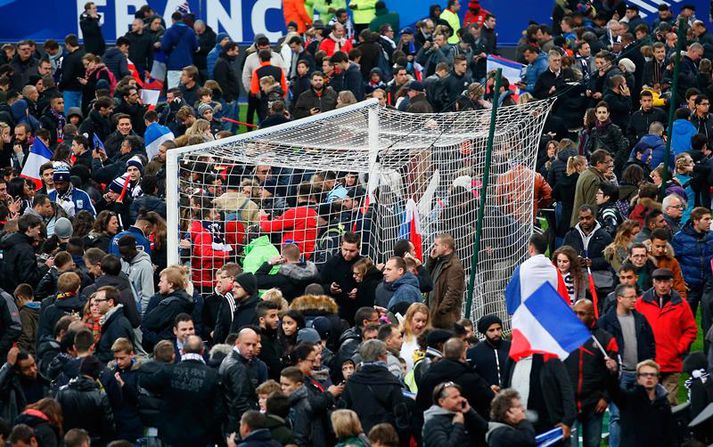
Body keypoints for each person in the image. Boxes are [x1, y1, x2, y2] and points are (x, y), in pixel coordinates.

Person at [636, 268, 697, 404]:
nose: (662, 285)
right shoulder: (641, 303)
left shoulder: (682, 305)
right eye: (659, 282)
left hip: (671, 362)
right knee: (647, 404)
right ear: (653, 283)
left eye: (665, 282)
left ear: (671, 283)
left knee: (669, 404)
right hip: (648, 363)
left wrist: (679, 348)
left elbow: (691, 330)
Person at [564, 299, 618, 447]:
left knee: (593, 444)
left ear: (592, 315)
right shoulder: (564, 338)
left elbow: (614, 372)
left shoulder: (605, 339)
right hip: (570, 404)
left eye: (581, 313)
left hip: (594, 404)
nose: (577, 317)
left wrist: (606, 398)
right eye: (574, 313)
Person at [417, 337, 494, 424]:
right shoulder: (471, 378)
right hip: (468, 429)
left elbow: (420, 405)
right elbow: (490, 400)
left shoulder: (427, 376)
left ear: (444, 353)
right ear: (463, 354)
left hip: (434, 427)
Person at [606, 359, 675, 446]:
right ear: (638, 378)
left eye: (653, 374)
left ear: (658, 378)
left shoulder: (663, 403)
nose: (649, 377)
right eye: (645, 374)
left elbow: (669, 432)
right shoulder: (628, 398)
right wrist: (612, 373)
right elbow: (613, 390)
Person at [342, 340, 405, 434]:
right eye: (386, 353)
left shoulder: (352, 382)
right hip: (385, 438)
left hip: (359, 438)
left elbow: (344, 413)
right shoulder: (392, 382)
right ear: (381, 356)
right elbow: (401, 419)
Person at [55, 356, 115, 445]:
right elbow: (108, 426)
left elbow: (56, 418)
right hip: (94, 442)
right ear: (97, 374)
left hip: (69, 442)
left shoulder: (62, 392)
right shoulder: (100, 396)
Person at [671, 207, 713, 322]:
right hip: (690, 286)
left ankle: (708, 340)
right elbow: (673, 261)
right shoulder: (679, 238)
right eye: (706, 219)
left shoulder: (711, 236)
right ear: (696, 221)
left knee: (708, 321)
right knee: (686, 320)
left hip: (709, 285)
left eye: (710, 219)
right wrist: (678, 279)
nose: (710, 222)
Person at [220, 328, 261, 434]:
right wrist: (252, 425)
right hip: (238, 424)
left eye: (254, 344)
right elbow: (240, 400)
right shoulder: (237, 367)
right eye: (247, 344)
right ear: (237, 342)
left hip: (230, 420)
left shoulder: (228, 360)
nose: (251, 349)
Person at [422, 381, 488, 446]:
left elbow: (485, 429)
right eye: (455, 397)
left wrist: (470, 411)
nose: (461, 399)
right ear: (441, 401)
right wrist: (458, 425)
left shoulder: (463, 414)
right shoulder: (433, 423)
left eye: (460, 396)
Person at [0, 214, 51, 292]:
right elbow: (29, 279)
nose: (39, 232)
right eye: (38, 229)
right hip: (18, 294)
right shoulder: (25, 249)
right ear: (29, 229)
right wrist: (46, 266)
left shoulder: (9, 240)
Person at [426, 233, 465, 328]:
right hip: (433, 316)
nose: (434, 248)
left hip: (445, 321)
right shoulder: (438, 260)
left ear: (445, 247)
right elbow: (427, 276)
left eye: (436, 245)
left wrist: (440, 311)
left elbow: (453, 292)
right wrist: (431, 259)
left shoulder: (454, 266)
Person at [467, 314, 510, 388]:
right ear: (484, 332)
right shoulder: (474, 352)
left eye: (498, 329)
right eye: (491, 330)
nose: (496, 333)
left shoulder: (511, 347)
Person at [571, 149, 612, 225]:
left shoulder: (586, 173)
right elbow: (592, 207)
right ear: (598, 163)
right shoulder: (594, 179)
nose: (610, 165)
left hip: (579, 223)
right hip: (585, 226)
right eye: (607, 162)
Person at [161, 12, 199, 89]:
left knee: (173, 90)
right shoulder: (190, 31)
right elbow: (195, 47)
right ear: (182, 19)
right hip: (188, 66)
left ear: (172, 20)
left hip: (173, 65)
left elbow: (164, 47)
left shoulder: (169, 31)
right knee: (187, 89)